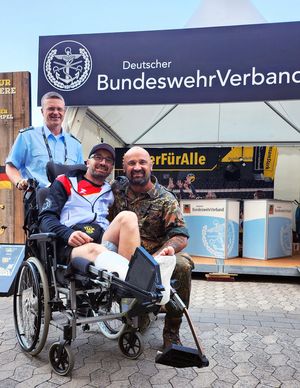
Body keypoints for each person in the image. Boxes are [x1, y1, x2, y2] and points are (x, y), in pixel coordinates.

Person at [110, 146, 194, 348]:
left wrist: (166, 251)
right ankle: (137, 316)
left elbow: (180, 235)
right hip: (124, 255)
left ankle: (172, 332)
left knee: (182, 266)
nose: (137, 167)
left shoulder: (165, 199)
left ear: (151, 165)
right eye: (131, 163)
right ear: (123, 167)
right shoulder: (115, 192)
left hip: (156, 256)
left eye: (142, 162)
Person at [38, 143, 140, 280]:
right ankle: (137, 281)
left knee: (129, 217)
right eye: (98, 157)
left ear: (111, 168)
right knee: (96, 250)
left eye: (108, 160)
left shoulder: (111, 190)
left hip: (102, 239)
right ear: (87, 162)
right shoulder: (66, 182)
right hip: (71, 243)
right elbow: (46, 218)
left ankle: (141, 278)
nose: (103, 162)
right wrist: (68, 234)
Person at [5, 91, 84, 190]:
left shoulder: (75, 144)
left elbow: (81, 176)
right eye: (51, 108)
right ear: (42, 111)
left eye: (59, 109)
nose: (55, 112)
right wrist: (19, 182)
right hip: (38, 200)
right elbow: (11, 166)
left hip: (69, 201)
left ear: (64, 112)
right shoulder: (27, 136)